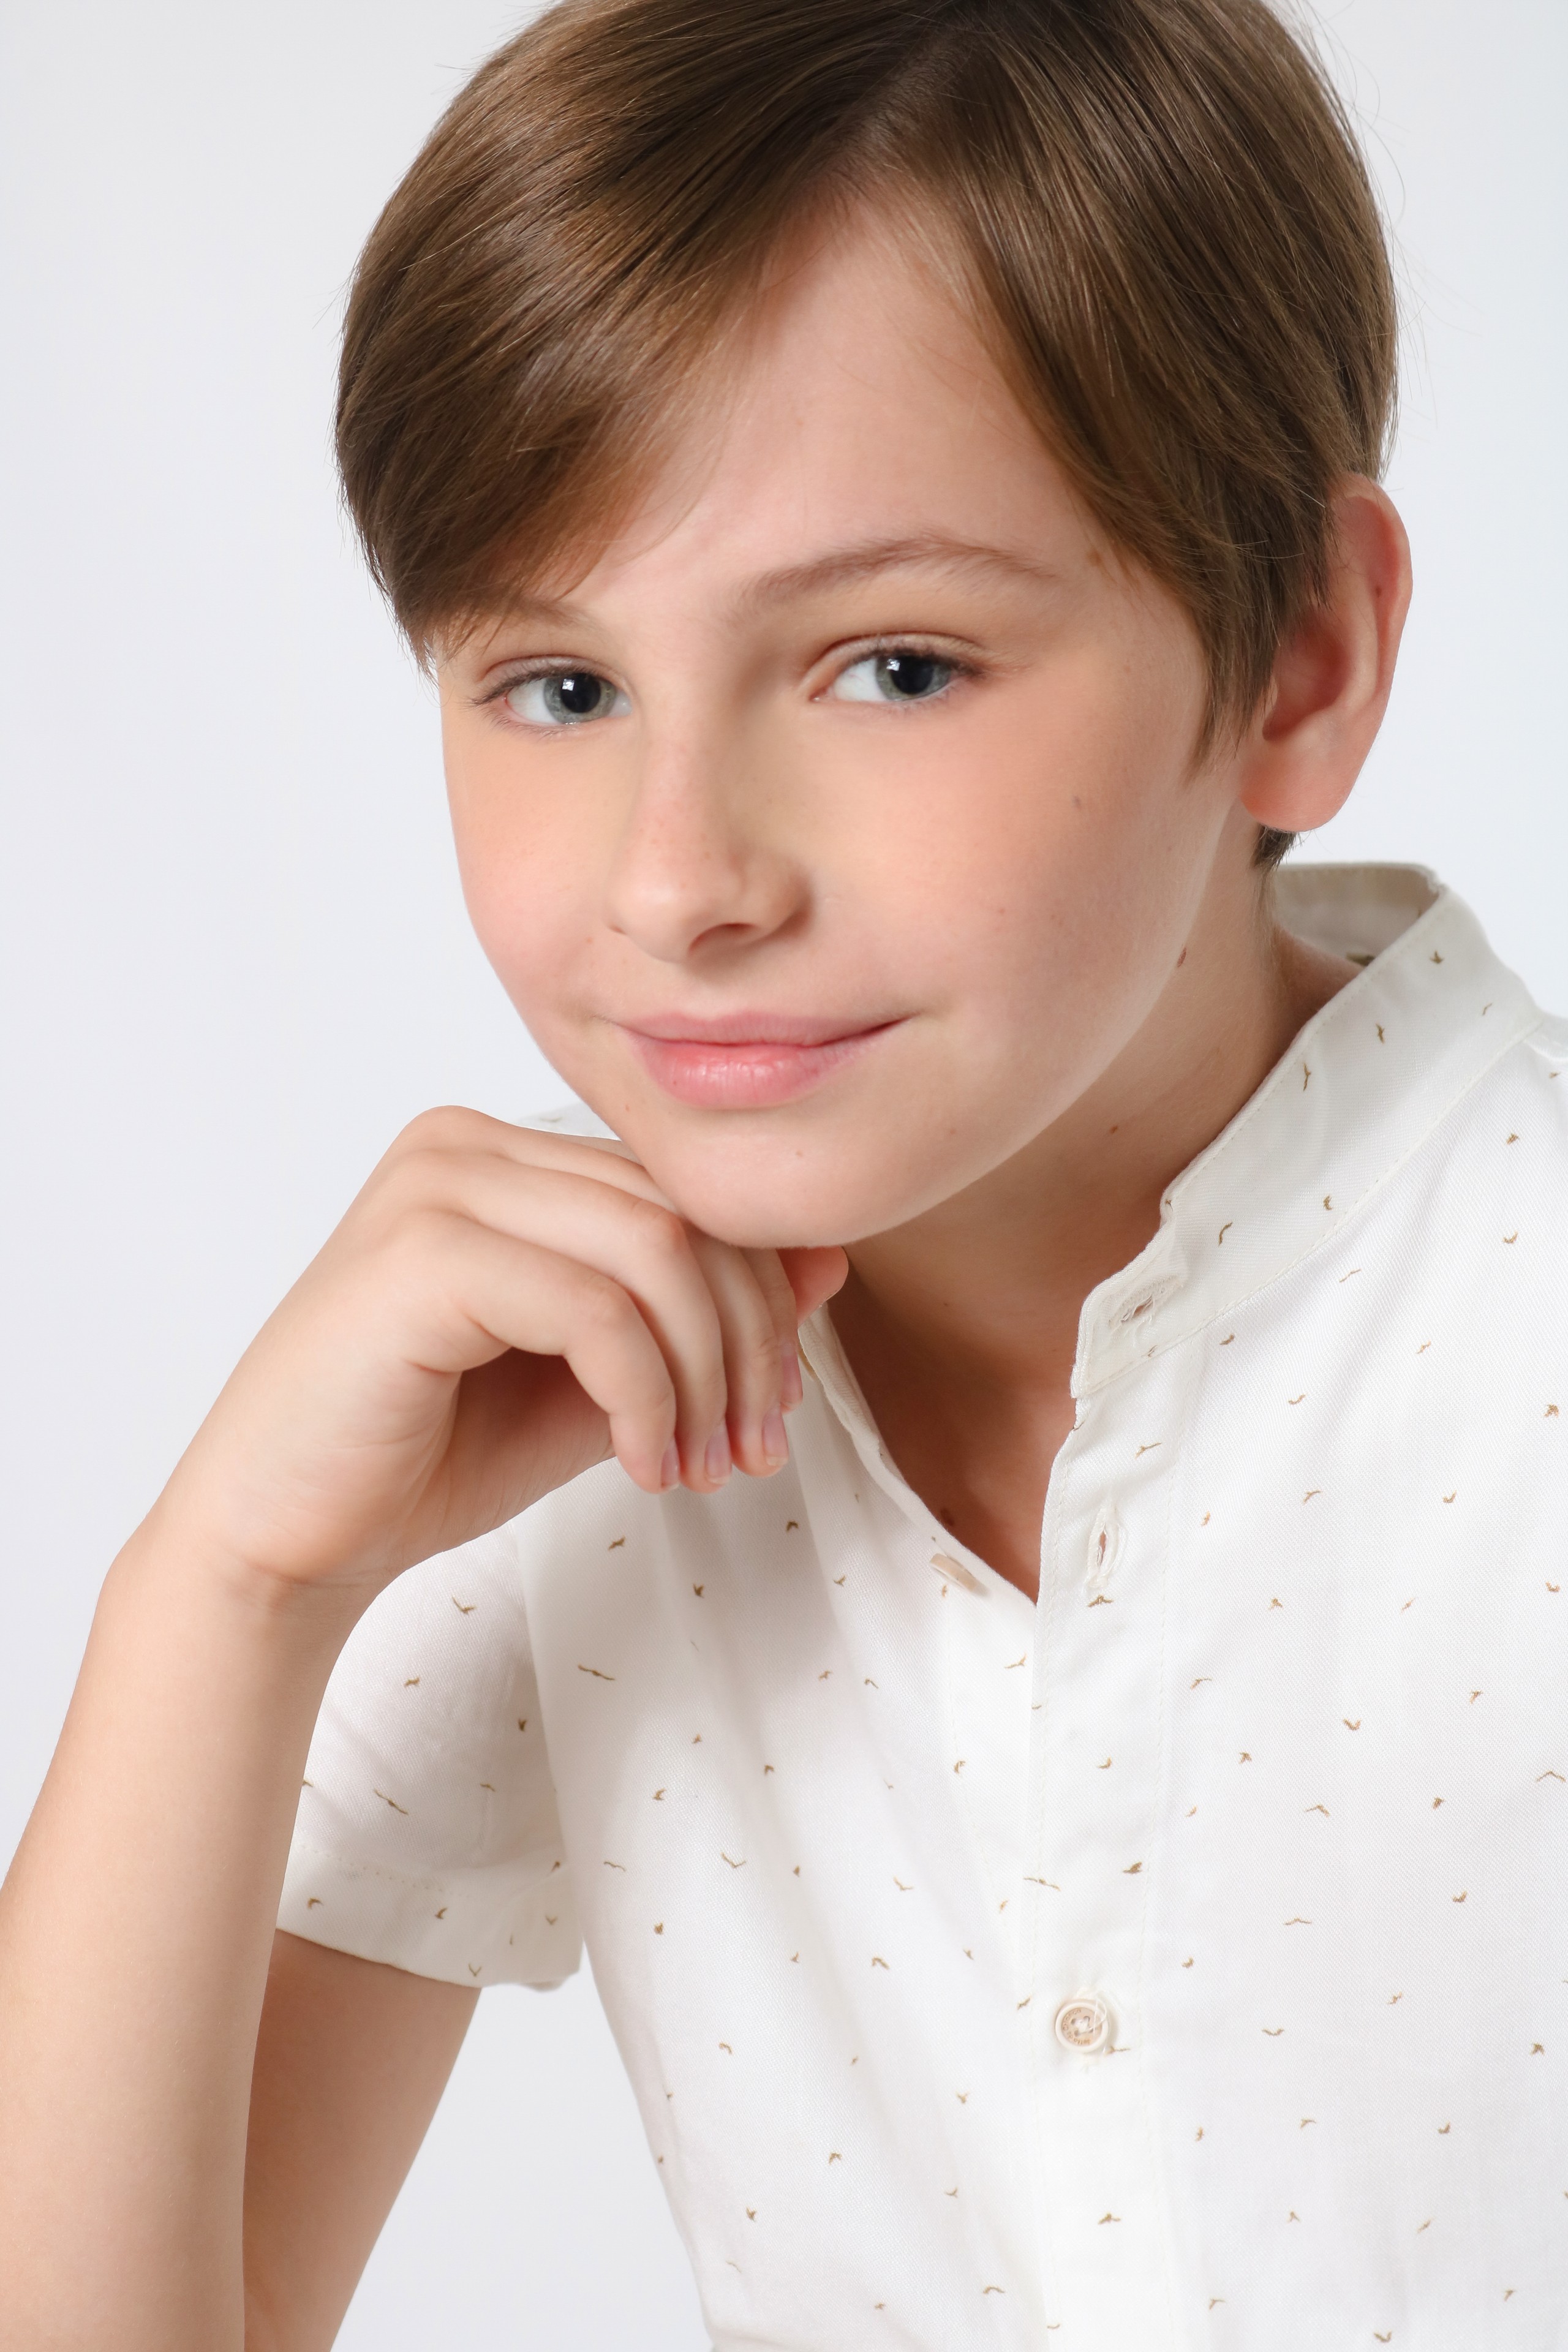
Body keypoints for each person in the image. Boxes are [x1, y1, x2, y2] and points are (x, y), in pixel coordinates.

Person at [2, 0, 1563, 2343]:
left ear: (1303, 661)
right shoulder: (527, 1405)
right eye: (560, 687)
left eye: (894, 667)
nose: (679, 882)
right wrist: (222, 1590)